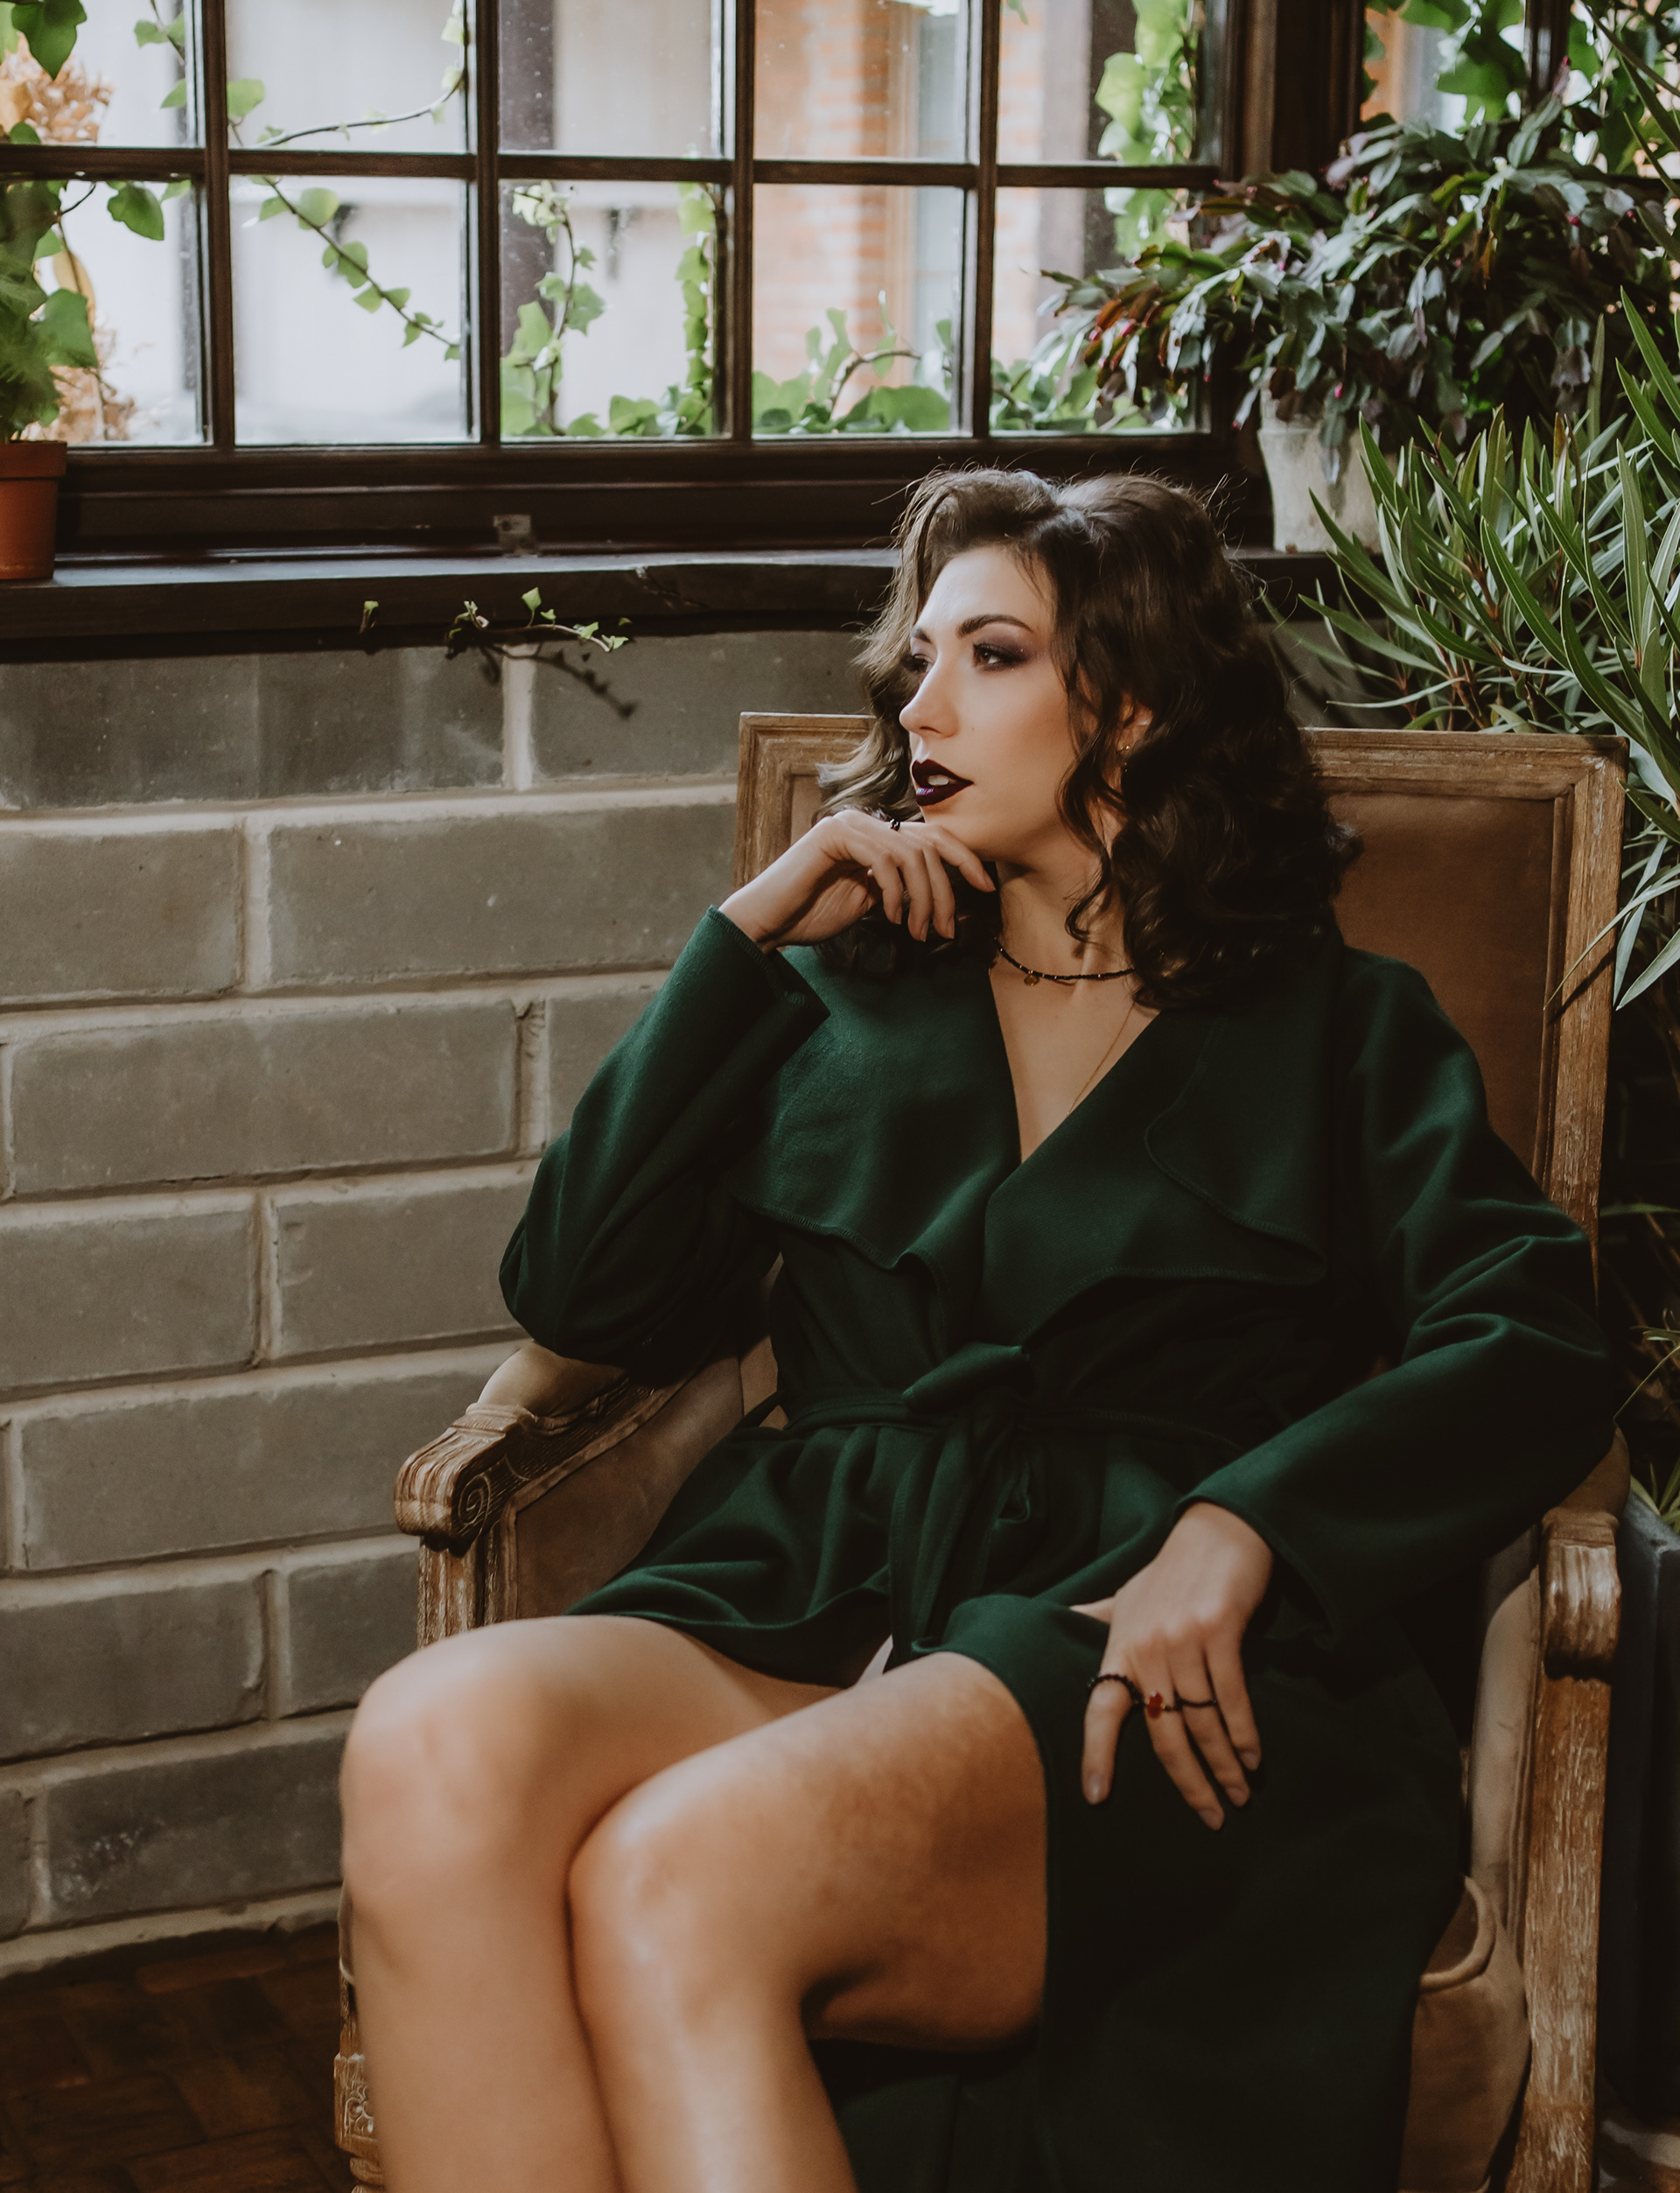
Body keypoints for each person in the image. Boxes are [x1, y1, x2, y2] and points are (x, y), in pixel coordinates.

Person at [340, 467, 1614, 2193]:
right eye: (917, 662)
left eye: (990, 656)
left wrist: (1248, 1525)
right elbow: (582, 1290)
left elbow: (1534, 1330)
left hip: (1138, 1626)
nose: (919, 707)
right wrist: (744, 936)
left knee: (677, 1869)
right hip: (824, 1579)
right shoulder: (830, 997)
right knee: (428, 1742)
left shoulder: (1334, 1025)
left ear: (1134, 702)